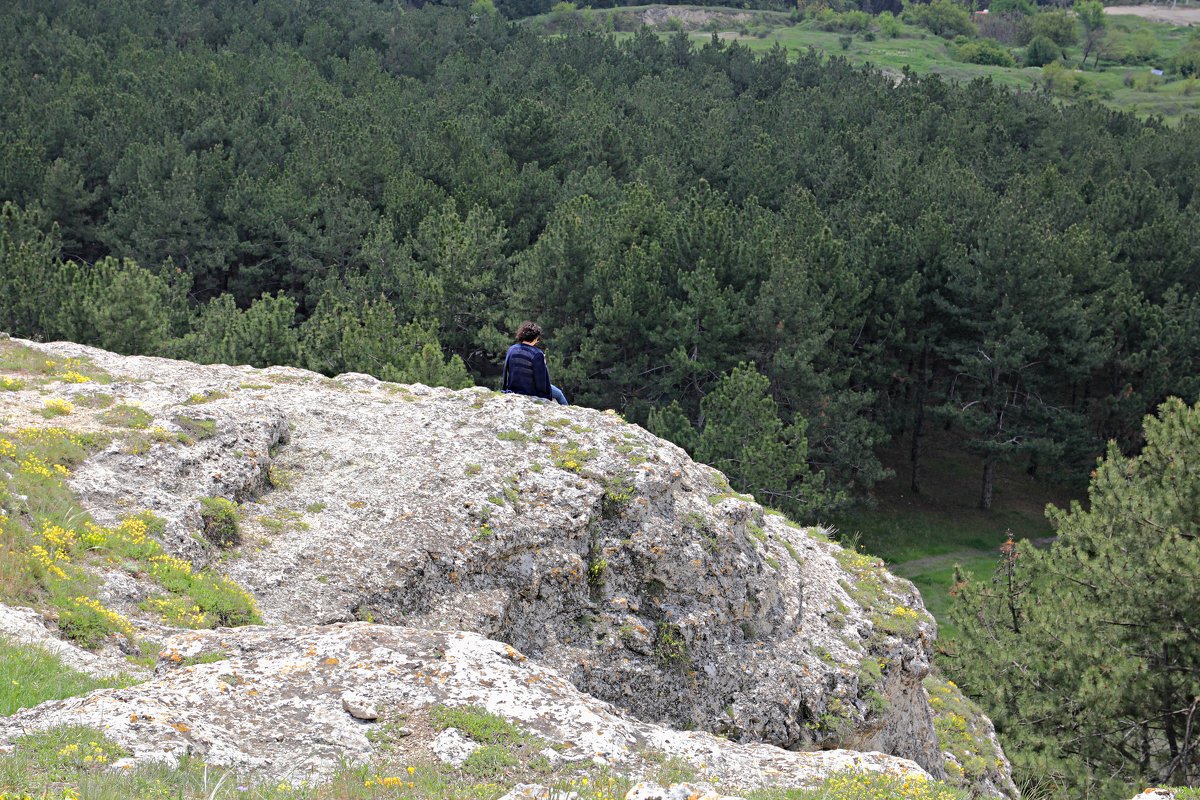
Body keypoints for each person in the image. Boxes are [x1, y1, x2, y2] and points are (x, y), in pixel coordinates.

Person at [502, 321, 568, 405]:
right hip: (530, 391)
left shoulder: (511, 349)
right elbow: (542, 381)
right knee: (559, 394)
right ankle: (569, 412)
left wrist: (504, 389)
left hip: (513, 388)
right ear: (535, 338)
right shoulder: (537, 354)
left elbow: (506, 373)